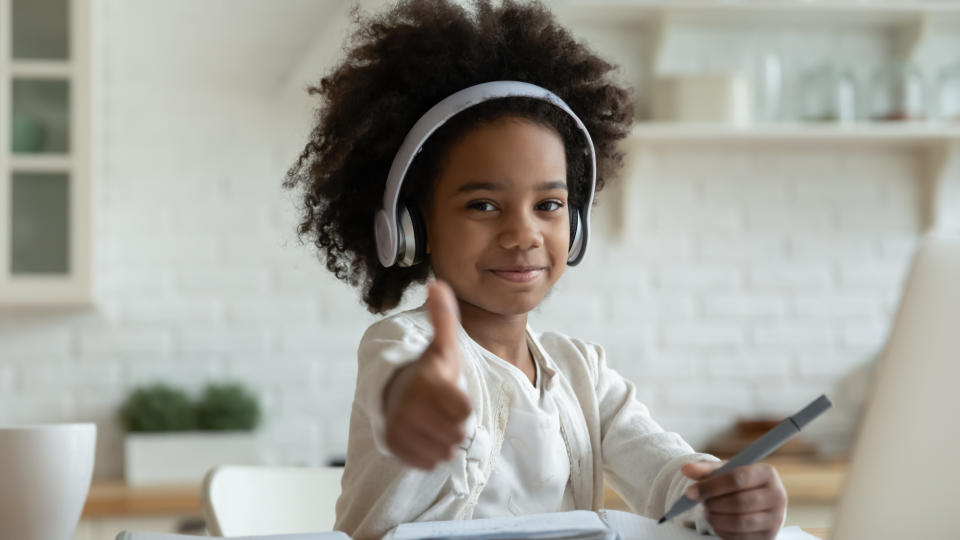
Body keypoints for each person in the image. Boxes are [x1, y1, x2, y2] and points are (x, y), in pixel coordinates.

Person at [283, 1, 788, 538]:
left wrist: (719, 493)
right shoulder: (401, 348)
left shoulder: (583, 373)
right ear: (413, 225)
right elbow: (399, 396)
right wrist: (416, 404)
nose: (523, 234)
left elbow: (665, 469)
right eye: (483, 204)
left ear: (575, 223)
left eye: (547, 206)